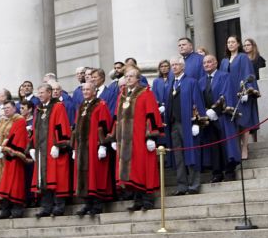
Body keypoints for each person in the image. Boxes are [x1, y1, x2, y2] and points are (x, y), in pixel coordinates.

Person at [111, 66, 163, 210]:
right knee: (131, 170)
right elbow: (116, 117)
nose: (128, 78)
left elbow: (151, 115)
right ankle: (137, 200)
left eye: (131, 76)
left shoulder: (145, 93)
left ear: (138, 79)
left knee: (143, 167)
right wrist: (115, 137)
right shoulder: (122, 95)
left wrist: (151, 136)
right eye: (127, 76)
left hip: (140, 138)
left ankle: (148, 200)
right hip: (125, 140)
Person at [30, 82, 74, 218]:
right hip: (41, 150)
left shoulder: (58, 107)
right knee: (43, 179)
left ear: (49, 93)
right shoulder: (39, 109)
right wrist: (32, 146)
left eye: (42, 92)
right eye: (39, 93)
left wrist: (59, 145)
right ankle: (46, 207)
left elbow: (61, 125)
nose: (40, 95)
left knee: (57, 177)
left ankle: (59, 206)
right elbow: (34, 129)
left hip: (53, 149)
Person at [164, 56, 206, 195]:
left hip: (188, 124)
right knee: (178, 157)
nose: (174, 67)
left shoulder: (191, 82)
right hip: (174, 124)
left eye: (176, 64)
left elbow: (197, 103)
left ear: (183, 67)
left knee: (191, 153)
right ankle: (182, 185)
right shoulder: (170, 84)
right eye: (172, 65)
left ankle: (194, 184)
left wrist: (196, 122)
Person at [72, 81, 114, 217]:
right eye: (83, 90)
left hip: (94, 146)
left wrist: (103, 144)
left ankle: (97, 204)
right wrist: (74, 147)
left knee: (95, 175)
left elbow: (104, 125)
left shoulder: (100, 105)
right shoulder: (82, 106)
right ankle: (87, 203)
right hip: (82, 147)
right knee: (84, 175)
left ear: (94, 91)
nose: (85, 92)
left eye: (88, 89)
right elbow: (76, 129)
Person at [201, 54, 241, 182]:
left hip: (222, 116)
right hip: (208, 119)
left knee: (226, 143)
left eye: (209, 62)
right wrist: (205, 113)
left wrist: (216, 111)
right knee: (213, 145)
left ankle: (229, 171)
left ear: (216, 63)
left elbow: (226, 94)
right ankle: (217, 172)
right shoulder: (201, 81)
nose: (206, 64)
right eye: (204, 63)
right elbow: (198, 99)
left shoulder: (224, 76)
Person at [0, 101, 30, 219]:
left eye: (8, 108)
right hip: (0, 159)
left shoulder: (19, 120)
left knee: (14, 184)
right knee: (2, 184)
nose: (6, 110)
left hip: (12, 158)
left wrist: (4, 149)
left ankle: (17, 209)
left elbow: (16, 137)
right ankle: (5, 209)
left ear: (14, 109)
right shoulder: (2, 122)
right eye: (4, 108)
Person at [223, 36, 260, 159]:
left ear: (238, 44)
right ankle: (238, 146)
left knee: (244, 121)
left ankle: (244, 147)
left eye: (233, 42)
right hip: (229, 95)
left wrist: (247, 91)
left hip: (240, 93)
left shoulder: (243, 57)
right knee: (233, 122)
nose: (230, 44)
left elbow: (248, 73)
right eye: (228, 42)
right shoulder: (224, 61)